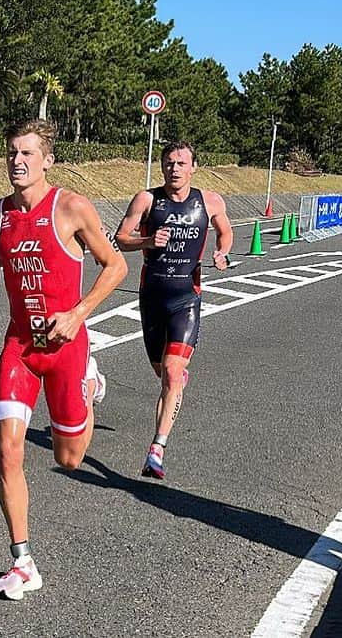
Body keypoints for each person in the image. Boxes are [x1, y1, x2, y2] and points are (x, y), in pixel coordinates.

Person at [0, 120, 127, 600]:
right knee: (7, 449)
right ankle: (23, 562)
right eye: (12, 153)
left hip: (66, 348)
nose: (18, 162)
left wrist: (79, 314)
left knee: (69, 458)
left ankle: (90, 383)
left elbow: (116, 265)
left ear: (47, 160)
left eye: (28, 154)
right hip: (20, 346)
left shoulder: (72, 208)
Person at [115, 141, 233, 480]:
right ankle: (174, 386)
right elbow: (121, 238)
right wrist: (147, 242)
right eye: (169, 163)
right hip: (152, 297)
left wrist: (222, 253)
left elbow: (226, 233)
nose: (174, 169)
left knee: (171, 372)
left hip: (186, 298)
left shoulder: (210, 201)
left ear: (194, 166)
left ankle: (157, 449)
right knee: (162, 374)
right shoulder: (147, 199)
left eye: (181, 163)